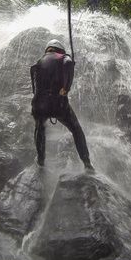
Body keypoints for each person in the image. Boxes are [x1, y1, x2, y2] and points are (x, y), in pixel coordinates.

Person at [30, 39, 93, 170]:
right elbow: (69, 63)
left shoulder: (38, 62)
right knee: (76, 129)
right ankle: (86, 162)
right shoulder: (63, 57)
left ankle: (41, 160)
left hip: (39, 105)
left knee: (39, 128)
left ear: (48, 49)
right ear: (60, 49)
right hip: (58, 104)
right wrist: (66, 87)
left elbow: (34, 86)